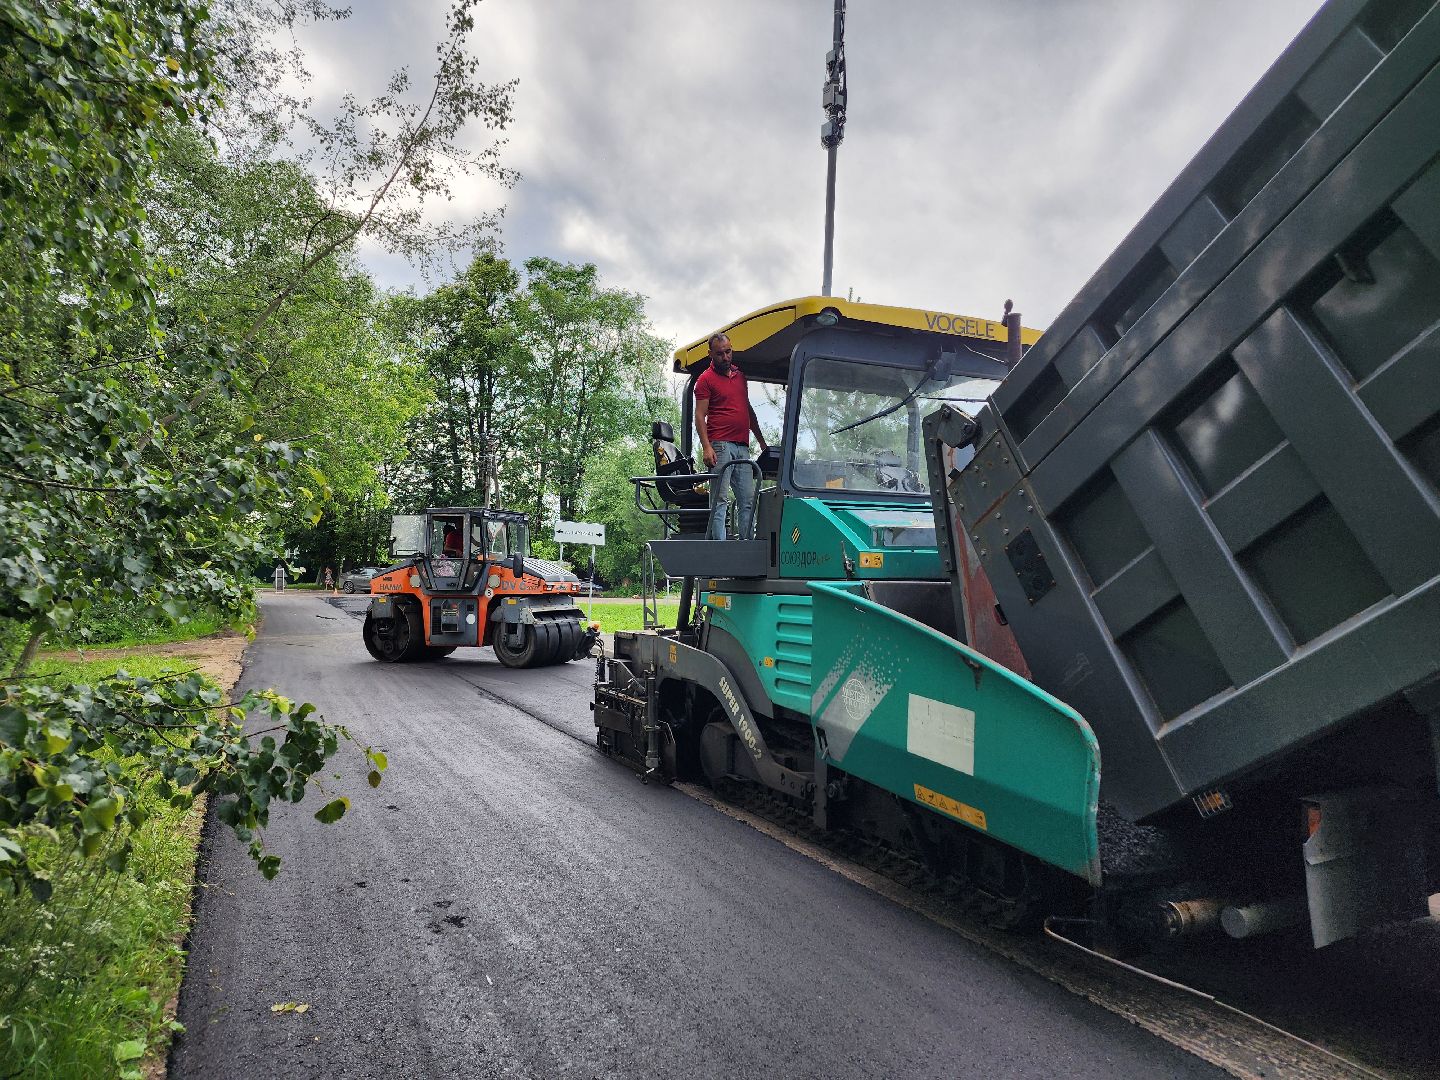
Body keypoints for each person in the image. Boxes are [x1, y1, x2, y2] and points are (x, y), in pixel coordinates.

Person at [694, 333, 768, 540]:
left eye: (728, 352)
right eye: (720, 354)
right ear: (710, 354)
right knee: (719, 499)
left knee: (747, 499)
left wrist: (761, 441)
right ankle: (720, 549)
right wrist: (706, 447)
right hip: (720, 445)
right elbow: (700, 415)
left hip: (742, 446)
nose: (725, 357)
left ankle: (746, 545)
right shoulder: (705, 380)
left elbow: (748, 410)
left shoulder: (740, 377)